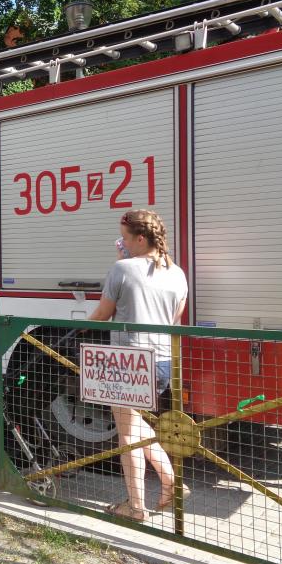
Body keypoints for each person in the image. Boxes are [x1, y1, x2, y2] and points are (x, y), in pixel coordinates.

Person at [88, 209, 188, 522]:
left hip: (129, 361)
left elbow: (103, 314)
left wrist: (76, 328)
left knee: (128, 435)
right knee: (137, 426)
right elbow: (174, 318)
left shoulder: (121, 269)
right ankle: (171, 482)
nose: (123, 244)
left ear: (140, 238)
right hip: (162, 361)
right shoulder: (177, 273)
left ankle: (135, 507)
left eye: (126, 238)